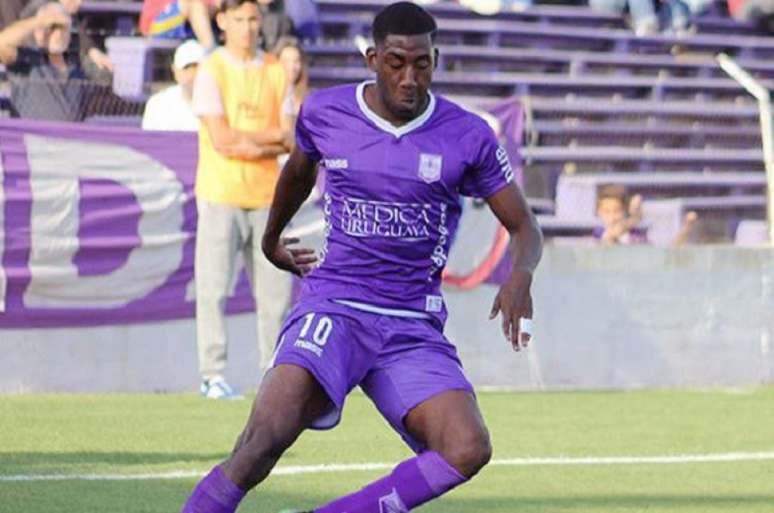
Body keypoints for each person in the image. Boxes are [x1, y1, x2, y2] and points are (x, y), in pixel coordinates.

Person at [179, 2, 543, 512]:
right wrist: (271, 238)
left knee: (466, 448)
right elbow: (298, 173)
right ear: (372, 58)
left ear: (436, 60)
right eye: (396, 62)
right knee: (265, 438)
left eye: (422, 63)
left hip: (410, 324)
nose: (410, 77)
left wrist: (520, 273)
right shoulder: (327, 112)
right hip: (335, 306)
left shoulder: (469, 135)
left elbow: (525, 226)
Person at [191, 0, 294, 400]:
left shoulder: (275, 69)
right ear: (222, 21)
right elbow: (222, 139)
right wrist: (266, 140)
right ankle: (212, 373)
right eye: (239, 20)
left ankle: (274, 374)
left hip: (269, 197)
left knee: (274, 295)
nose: (248, 27)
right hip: (221, 193)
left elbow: (290, 135)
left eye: (253, 19)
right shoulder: (211, 69)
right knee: (213, 289)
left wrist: (249, 142)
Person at [0, 2, 92, 121]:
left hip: (71, 138)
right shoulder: (27, 60)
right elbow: (2, 44)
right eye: (52, 27)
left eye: (62, 28)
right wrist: (41, 21)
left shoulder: (77, 64)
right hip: (33, 137)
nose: (58, 34)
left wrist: (92, 50)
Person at [20, 0, 113, 73]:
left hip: (70, 61)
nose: (79, 2)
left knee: (101, 72)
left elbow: (78, 31)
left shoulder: (73, 17)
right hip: (37, 64)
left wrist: (91, 50)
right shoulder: (38, 6)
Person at [594, 184, 698, 245]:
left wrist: (686, 228)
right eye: (606, 211)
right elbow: (611, 236)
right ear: (598, 212)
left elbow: (665, 255)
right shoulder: (597, 233)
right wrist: (635, 218)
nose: (612, 217)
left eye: (616, 211)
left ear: (625, 211)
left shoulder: (637, 237)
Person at [142, 39, 205, 131]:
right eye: (186, 68)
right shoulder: (158, 104)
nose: (192, 74)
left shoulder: (221, 103)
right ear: (175, 70)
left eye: (197, 67)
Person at [140, 0, 220, 50]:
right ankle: (211, 54)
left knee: (226, 7)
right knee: (194, 4)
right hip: (155, 25)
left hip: (194, 21)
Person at [273, 36, 307, 120]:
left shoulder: (306, 99)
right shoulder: (266, 95)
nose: (291, 67)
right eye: (286, 61)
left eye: (296, 61)